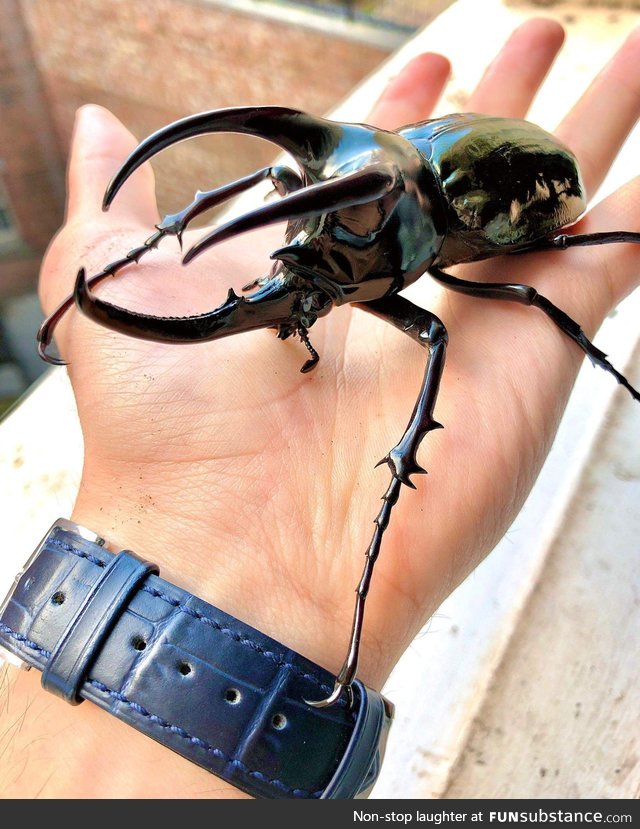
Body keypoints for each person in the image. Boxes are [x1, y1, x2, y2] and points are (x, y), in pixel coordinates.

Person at [2, 18, 639, 798]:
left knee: (495, 309)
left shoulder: (451, 231)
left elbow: (461, 316)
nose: (300, 292)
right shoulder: (355, 187)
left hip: (514, 181)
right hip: (416, 158)